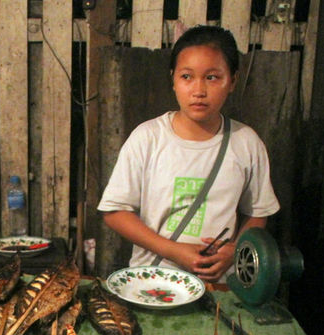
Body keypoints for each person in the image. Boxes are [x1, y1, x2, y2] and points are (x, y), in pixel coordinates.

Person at [97, 25, 280, 282]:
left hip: (218, 286)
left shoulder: (246, 143)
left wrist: (234, 250)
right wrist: (173, 251)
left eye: (212, 77)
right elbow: (114, 212)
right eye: (186, 77)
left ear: (233, 81)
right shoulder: (148, 137)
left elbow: (259, 211)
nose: (198, 90)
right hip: (152, 279)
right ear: (173, 79)